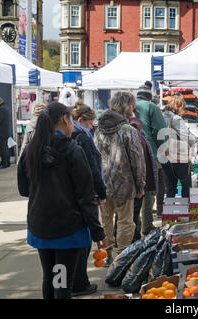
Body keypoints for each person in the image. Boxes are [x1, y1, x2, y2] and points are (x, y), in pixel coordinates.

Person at [17, 102, 107, 299]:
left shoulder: (31, 150)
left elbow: (24, 189)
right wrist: (97, 231)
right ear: (66, 119)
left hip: (40, 225)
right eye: (72, 121)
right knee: (62, 284)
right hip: (67, 229)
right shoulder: (72, 150)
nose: (73, 126)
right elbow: (85, 197)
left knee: (50, 278)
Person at [95, 92, 146, 265]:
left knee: (106, 220)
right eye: (132, 105)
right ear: (126, 106)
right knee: (125, 221)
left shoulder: (98, 128)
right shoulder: (128, 130)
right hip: (124, 183)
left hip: (103, 181)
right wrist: (141, 186)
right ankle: (122, 257)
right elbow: (137, 161)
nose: (134, 109)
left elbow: (94, 156)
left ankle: (107, 254)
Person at [70, 101, 107, 296]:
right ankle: (79, 284)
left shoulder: (72, 135)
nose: (92, 126)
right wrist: (101, 192)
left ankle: (74, 282)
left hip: (72, 195)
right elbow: (93, 167)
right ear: (80, 120)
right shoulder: (82, 138)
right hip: (86, 193)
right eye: (91, 122)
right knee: (83, 241)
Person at [136, 81, 167, 235]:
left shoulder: (129, 106)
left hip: (128, 153)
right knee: (148, 189)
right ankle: (146, 226)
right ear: (150, 98)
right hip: (148, 152)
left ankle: (134, 225)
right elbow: (161, 132)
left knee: (133, 190)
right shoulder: (152, 107)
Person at [126, 101, 157, 242]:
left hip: (130, 179)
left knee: (128, 214)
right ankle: (132, 238)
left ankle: (134, 234)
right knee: (130, 214)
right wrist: (140, 183)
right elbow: (136, 159)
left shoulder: (133, 128)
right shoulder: (134, 127)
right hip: (133, 179)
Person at [162, 95, 198, 198]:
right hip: (178, 158)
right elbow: (187, 136)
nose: (183, 110)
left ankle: (170, 212)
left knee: (170, 187)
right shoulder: (176, 118)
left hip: (165, 157)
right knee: (186, 186)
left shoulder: (162, 116)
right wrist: (196, 141)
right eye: (182, 108)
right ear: (179, 106)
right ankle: (185, 211)